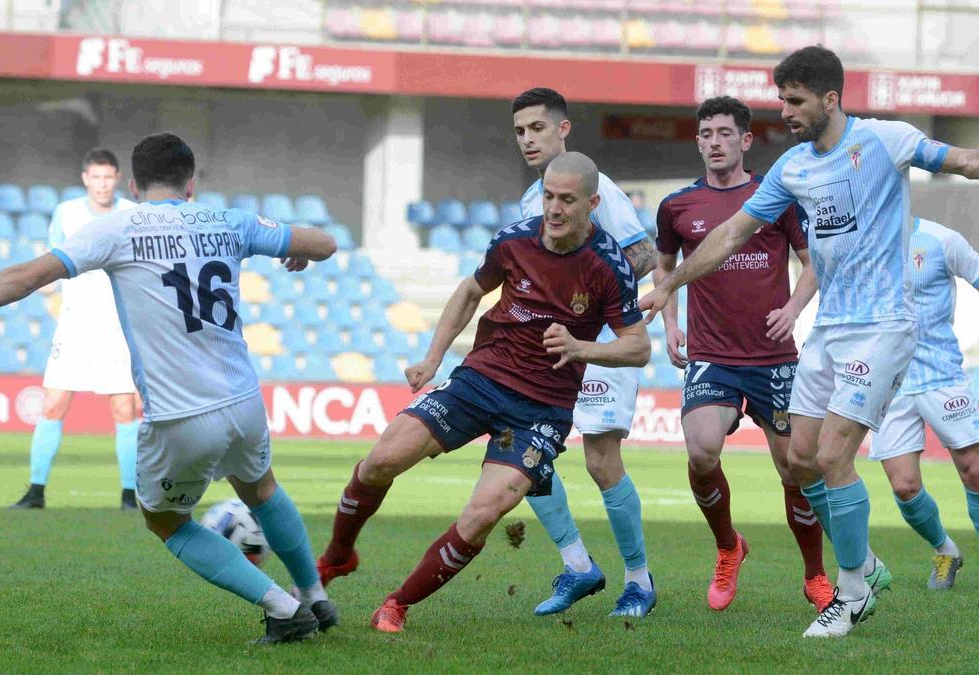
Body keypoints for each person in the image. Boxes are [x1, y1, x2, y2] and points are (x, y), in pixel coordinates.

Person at [640, 45, 979, 638]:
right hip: (828, 331)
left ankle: (852, 592)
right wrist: (668, 283)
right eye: (781, 100)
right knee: (799, 461)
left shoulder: (886, 140)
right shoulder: (793, 168)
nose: (785, 112)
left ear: (830, 99)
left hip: (883, 327)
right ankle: (867, 563)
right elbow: (729, 234)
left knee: (831, 457)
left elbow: (965, 162)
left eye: (794, 101)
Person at [0, 133, 341, 644]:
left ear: (134, 185)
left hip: (182, 415)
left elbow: (26, 277)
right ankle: (314, 594)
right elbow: (324, 243)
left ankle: (283, 608)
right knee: (262, 488)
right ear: (190, 183)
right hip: (244, 400)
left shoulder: (117, 227)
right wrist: (301, 254)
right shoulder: (228, 221)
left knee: (165, 520)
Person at [315, 152, 650, 632]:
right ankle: (338, 555)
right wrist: (433, 357)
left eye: (567, 201)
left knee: (483, 513)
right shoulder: (513, 241)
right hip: (480, 380)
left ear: (592, 203)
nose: (554, 210)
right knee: (379, 462)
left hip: (541, 411)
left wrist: (580, 348)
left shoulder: (608, 265)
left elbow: (637, 348)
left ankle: (396, 605)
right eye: (549, 197)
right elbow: (472, 291)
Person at [654, 96, 832, 612]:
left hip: (775, 357)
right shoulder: (677, 207)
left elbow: (813, 263)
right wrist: (670, 327)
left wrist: (795, 309)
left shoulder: (776, 198)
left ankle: (815, 575)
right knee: (701, 450)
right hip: (712, 355)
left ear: (745, 140)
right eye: (706, 133)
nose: (714, 142)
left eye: (725, 133)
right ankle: (729, 546)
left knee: (795, 469)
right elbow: (663, 270)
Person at [511, 87, 660, 617]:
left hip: (598, 343)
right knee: (521, 456)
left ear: (562, 128)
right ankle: (578, 567)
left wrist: (585, 306)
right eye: (521, 131)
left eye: (538, 128)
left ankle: (639, 583)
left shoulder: (602, 192)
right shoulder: (533, 201)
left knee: (600, 460)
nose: (529, 139)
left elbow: (643, 256)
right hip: (545, 348)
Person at [870, 217, 979, 593]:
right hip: (889, 382)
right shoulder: (863, 240)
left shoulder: (941, 240)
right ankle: (945, 550)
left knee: (974, 471)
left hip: (941, 376)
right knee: (904, 485)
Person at [11, 149, 140, 511]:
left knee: (124, 410)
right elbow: (52, 260)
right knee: (52, 404)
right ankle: (35, 492)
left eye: (108, 177)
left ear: (117, 178)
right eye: (95, 177)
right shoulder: (66, 213)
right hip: (75, 325)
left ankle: (129, 496)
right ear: (85, 178)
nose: (102, 184)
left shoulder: (131, 213)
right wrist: (41, 284)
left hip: (118, 325)